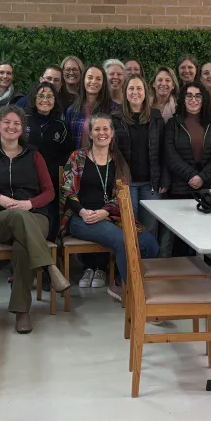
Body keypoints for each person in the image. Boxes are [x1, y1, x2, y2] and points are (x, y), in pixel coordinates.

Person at [0, 106, 72, 334]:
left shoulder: (34, 156)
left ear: (22, 129)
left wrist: (30, 204)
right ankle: (49, 267)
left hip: (35, 216)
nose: (11, 127)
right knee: (18, 217)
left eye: (17, 124)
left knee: (23, 244)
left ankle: (22, 312)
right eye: (7, 122)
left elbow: (49, 192)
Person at [61, 113, 159, 299]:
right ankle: (137, 298)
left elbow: (122, 194)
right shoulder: (77, 157)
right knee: (122, 241)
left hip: (111, 216)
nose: (101, 133)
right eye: (97, 129)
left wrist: (104, 211)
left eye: (106, 129)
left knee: (150, 244)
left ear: (112, 133)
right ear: (90, 134)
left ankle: (120, 284)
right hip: (82, 218)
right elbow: (67, 191)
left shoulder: (118, 161)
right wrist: (82, 211)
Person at [163, 82, 211, 256]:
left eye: (198, 95)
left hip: (207, 186)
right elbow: (170, 154)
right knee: (181, 236)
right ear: (183, 99)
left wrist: (202, 177)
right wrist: (191, 175)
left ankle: (208, 276)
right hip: (181, 186)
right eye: (189, 95)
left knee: (205, 235)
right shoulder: (173, 124)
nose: (193, 99)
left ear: (204, 99)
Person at [112, 75, 165, 233]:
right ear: (125, 92)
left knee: (150, 229)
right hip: (127, 183)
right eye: (131, 88)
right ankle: (132, 259)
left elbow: (164, 150)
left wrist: (164, 179)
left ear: (145, 92)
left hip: (151, 183)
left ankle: (149, 259)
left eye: (139, 88)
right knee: (130, 229)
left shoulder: (156, 117)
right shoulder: (115, 117)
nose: (135, 92)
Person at [23, 82, 73, 241]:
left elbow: (68, 154)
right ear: (34, 99)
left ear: (55, 100)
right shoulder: (23, 121)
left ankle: (50, 245)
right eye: (41, 96)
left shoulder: (61, 126)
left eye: (50, 96)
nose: (45, 100)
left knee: (51, 215)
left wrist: (49, 171)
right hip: (26, 178)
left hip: (51, 180)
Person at [66, 65, 115, 150]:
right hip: (78, 160)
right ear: (83, 80)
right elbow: (68, 143)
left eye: (98, 79)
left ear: (103, 83)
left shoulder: (113, 109)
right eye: (90, 77)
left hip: (104, 160)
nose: (93, 81)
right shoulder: (72, 110)